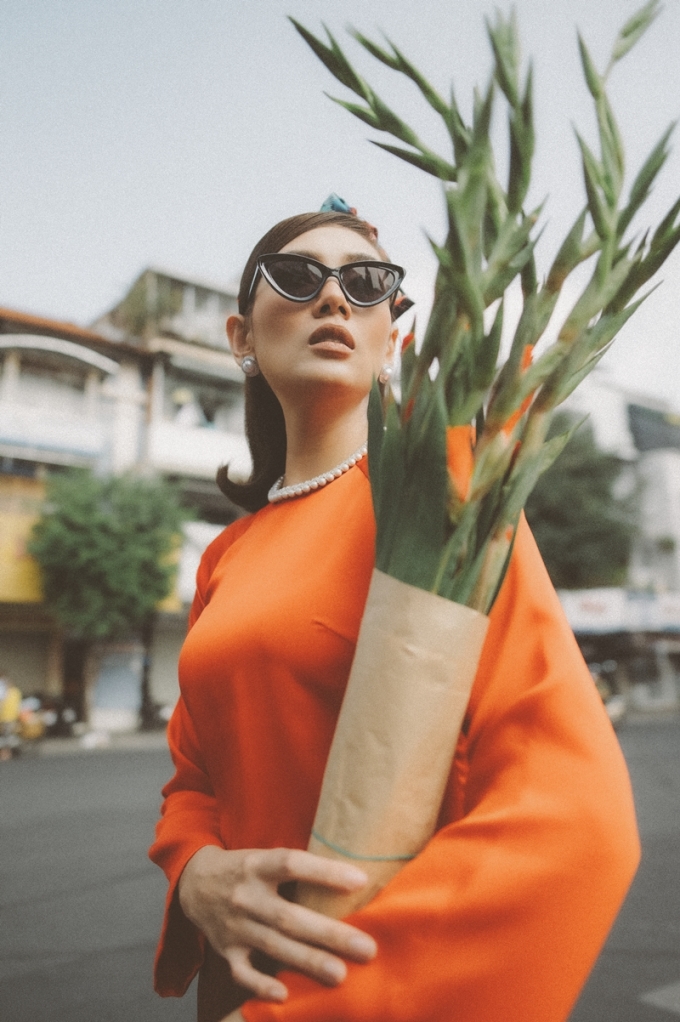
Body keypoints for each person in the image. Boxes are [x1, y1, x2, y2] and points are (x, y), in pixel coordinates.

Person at [149, 203, 640, 1022]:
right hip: (234, 979)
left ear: (392, 340)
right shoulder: (225, 556)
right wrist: (193, 870)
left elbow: (572, 812)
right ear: (242, 337)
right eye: (297, 276)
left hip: (371, 989)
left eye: (367, 282)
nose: (333, 297)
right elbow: (196, 776)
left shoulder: (444, 495)